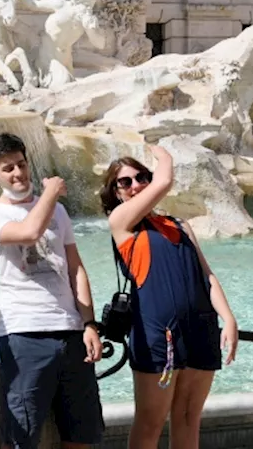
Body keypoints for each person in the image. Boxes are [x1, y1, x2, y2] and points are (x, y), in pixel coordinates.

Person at [100, 146, 238, 449]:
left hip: (200, 328)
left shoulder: (179, 224)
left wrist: (228, 319)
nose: (136, 185)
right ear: (116, 193)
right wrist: (164, 158)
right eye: (125, 182)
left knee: (189, 418)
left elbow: (207, 276)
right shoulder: (121, 224)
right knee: (150, 422)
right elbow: (164, 183)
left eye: (142, 177)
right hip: (156, 333)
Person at [0, 133, 103, 449]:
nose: (18, 173)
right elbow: (30, 232)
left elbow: (75, 268)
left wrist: (88, 323)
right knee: (21, 436)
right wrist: (51, 193)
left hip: (71, 331)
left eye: (21, 164)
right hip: (24, 334)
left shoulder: (58, 212)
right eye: (8, 169)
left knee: (81, 434)